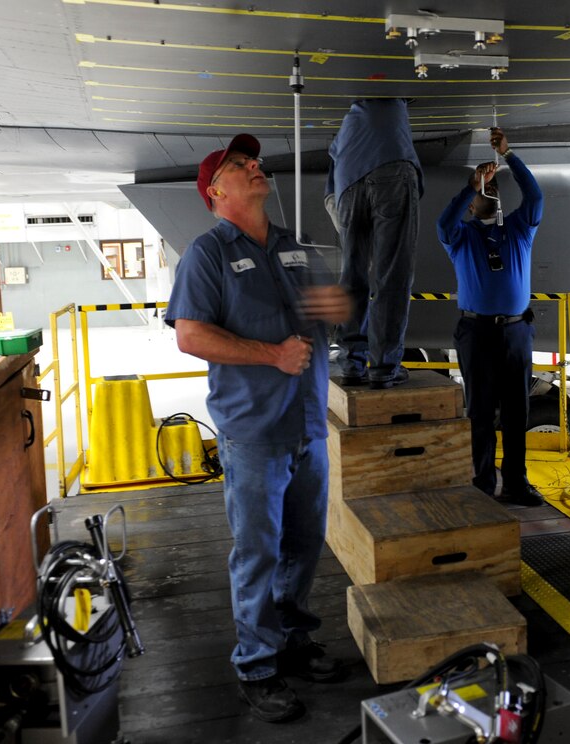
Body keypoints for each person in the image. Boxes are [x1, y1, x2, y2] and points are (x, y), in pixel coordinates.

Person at [165, 133, 352, 723]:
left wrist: (341, 306)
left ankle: (293, 640)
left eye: (253, 160)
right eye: (239, 165)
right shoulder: (207, 254)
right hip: (253, 431)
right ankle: (257, 665)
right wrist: (272, 355)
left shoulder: (295, 249)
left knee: (301, 545)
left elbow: (333, 315)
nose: (255, 166)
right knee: (257, 553)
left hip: (306, 425)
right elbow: (190, 335)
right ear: (215, 192)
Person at [436, 127, 545, 507]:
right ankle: (482, 484)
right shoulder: (462, 236)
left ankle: (515, 482)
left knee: (517, 412)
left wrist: (509, 155)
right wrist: (472, 184)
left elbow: (535, 196)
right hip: (476, 331)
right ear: (471, 204)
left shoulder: (517, 229)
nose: (491, 191)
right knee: (480, 411)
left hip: (515, 331)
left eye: (494, 188)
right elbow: (442, 224)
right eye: (484, 191)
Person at [325, 98, 423, 389]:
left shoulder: (347, 129)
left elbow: (331, 185)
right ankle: (383, 368)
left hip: (347, 185)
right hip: (390, 173)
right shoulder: (393, 103)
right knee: (391, 276)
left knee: (352, 277)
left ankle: (351, 364)